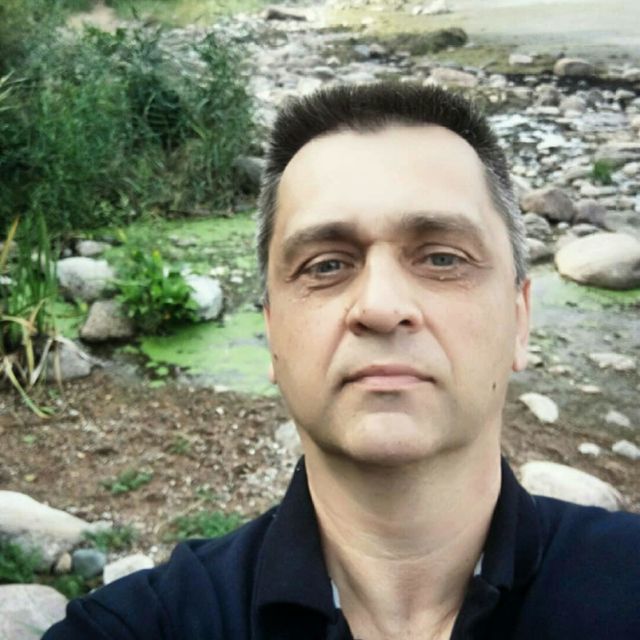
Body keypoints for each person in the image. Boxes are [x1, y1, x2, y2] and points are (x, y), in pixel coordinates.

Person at [44, 83, 639, 640]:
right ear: (272, 332)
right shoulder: (142, 625)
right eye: (326, 265)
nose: (380, 307)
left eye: (442, 258)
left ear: (520, 320)